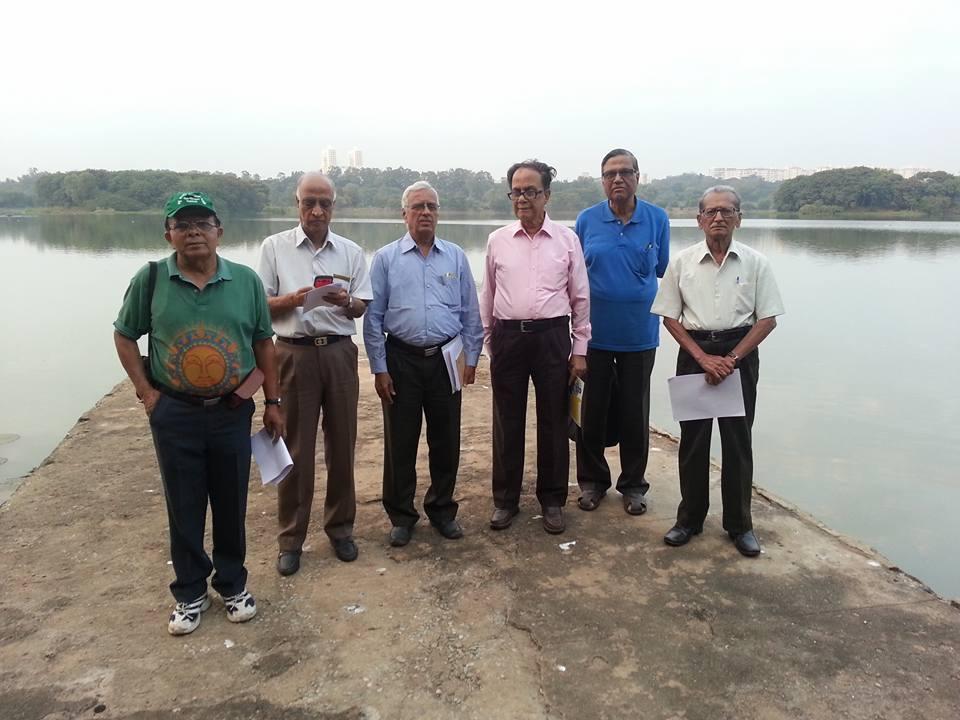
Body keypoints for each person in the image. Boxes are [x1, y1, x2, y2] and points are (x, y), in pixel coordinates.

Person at [113, 191, 283, 635]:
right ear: (168, 234)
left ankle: (232, 584)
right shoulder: (151, 279)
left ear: (218, 231)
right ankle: (190, 592)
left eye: (202, 224)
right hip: (175, 412)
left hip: (231, 410)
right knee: (183, 503)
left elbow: (263, 344)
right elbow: (125, 335)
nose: (193, 232)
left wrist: (273, 402)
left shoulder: (245, 281)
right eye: (182, 225)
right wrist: (146, 392)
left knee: (231, 500)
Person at [651, 185, 784, 557]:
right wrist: (703, 358)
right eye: (711, 211)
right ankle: (689, 520)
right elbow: (669, 316)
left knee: (738, 443)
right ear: (699, 220)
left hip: (739, 353)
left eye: (727, 211)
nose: (719, 217)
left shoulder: (756, 263)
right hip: (694, 352)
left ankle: (740, 525)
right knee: (693, 442)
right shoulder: (682, 262)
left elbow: (767, 319)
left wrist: (732, 359)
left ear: (739, 218)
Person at [256, 172, 373, 575]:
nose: (317, 211)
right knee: (295, 448)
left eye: (324, 203)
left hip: (338, 352)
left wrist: (346, 301)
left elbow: (362, 305)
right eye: (309, 202)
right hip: (294, 353)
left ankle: (341, 529)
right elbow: (259, 305)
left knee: (342, 445)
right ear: (297, 204)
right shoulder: (274, 247)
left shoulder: (350, 251)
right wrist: (293, 299)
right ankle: (291, 539)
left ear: (333, 207)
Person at [363, 181, 483, 546]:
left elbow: (470, 311)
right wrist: (379, 368)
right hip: (401, 359)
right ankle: (402, 516)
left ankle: (442, 509)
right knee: (400, 442)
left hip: (446, 358)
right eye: (418, 207)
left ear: (438, 213)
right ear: (405, 214)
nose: (426, 212)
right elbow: (373, 318)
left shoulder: (456, 256)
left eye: (431, 206)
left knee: (446, 439)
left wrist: (472, 357)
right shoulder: (386, 258)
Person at [480, 160, 591, 534]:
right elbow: (487, 294)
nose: (522, 198)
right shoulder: (498, 240)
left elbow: (580, 297)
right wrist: (489, 341)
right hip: (508, 337)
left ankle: (553, 500)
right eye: (516, 191)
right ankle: (505, 500)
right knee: (506, 422)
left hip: (551, 337)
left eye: (531, 191)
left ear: (547, 195)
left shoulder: (566, 240)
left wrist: (580, 348)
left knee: (554, 421)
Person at [574, 148, 670, 516]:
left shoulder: (657, 219)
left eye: (625, 172)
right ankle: (593, 482)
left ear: (637, 178)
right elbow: (575, 275)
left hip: (639, 333)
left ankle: (633, 485)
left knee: (635, 413)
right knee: (591, 413)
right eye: (610, 173)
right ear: (602, 181)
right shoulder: (587, 220)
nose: (618, 179)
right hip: (594, 335)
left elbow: (661, 268)